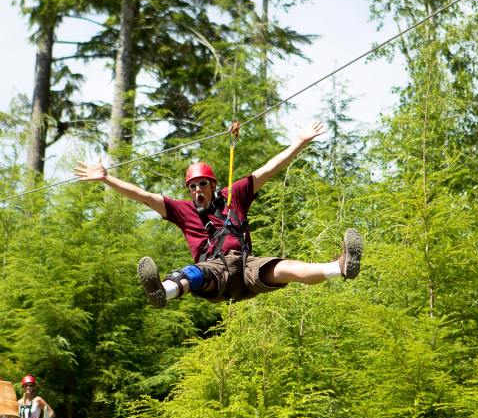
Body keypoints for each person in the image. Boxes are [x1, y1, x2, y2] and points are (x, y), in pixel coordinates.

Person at [74, 121, 363, 307]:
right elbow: (143, 195)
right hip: (215, 271)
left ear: (213, 185)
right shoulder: (182, 210)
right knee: (194, 274)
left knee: (285, 268)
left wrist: (300, 142)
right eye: (192, 186)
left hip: (247, 266)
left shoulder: (234, 195)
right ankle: (163, 290)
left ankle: (339, 268)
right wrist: (106, 179)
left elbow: (268, 169)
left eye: (202, 184)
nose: (197, 189)